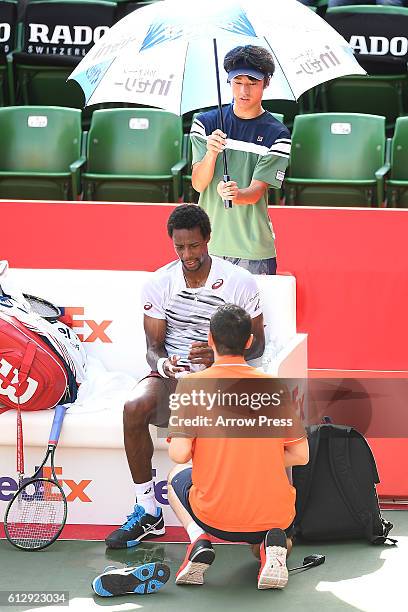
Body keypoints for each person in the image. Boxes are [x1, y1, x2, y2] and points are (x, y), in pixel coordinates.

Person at [105, 205, 265, 549]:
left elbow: (257, 343)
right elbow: (153, 347)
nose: (187, 255)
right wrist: (165, 365)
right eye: (180, 247)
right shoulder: (159, 283)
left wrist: (221, 355)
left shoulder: (239, 282)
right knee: (135, 406)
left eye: (194, 246)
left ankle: (252, 518)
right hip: (174, 377)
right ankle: (147, 510)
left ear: (207, 240)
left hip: (221, 376)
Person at [167, 304, 309, 589]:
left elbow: (179, 454)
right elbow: (301, 456)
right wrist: (259, 458)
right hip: (273, 514)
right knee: (270, 542)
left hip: (215, 517)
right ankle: (271, 544)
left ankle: (199, 539)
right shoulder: (277, 387)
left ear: (210, 339)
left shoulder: (190, 386)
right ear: (249, 342)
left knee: (174, 477)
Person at [190, 45, 292, 275]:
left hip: (253, 250)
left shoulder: (278, 134)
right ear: (228, 82)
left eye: (252, 83)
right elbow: (198, 183)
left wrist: (237, 195)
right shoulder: (204, 124)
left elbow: (256, 192)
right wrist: (211, 153)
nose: (244, 90)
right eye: (237, 82)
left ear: (266, 82)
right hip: (208, 246)